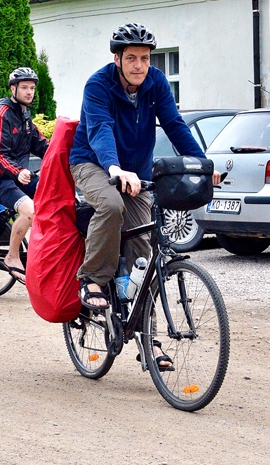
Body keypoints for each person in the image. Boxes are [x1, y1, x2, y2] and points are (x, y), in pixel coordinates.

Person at [70, 23, 221, 320]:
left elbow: (174, 125)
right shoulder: (98, 85)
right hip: (92, 162)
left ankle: (141, 323)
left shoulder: (157, 82)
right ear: (117, 59)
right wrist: (115, 167)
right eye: (131, 58)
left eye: (144, 58)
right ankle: (92, 279)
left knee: (142, 239)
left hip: (136, 171)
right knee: (111, 206)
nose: (139, 65)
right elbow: (101, 129)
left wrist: (202, 164)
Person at [0, 67, 50, 283]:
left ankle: (46, 252)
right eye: (24, 87)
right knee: (30, 212)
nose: (29, 92)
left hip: (18, 175)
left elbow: (40, 144)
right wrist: (17, 171)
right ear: (13, 89)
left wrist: (66, 155)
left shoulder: (24, 114)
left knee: (51, 197)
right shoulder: (0, 115)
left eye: (32, 88)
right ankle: (12, 256)